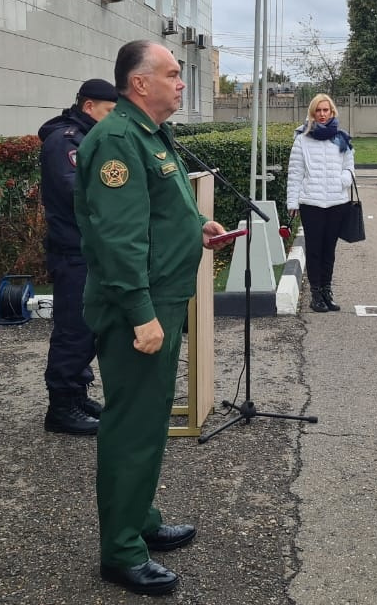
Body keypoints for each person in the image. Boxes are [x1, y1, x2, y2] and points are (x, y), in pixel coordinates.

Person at [75, 41, 229, 597]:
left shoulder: (149, 132)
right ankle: (120, 551)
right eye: (172, 74)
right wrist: (141, 315)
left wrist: (198, 229)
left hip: (161, 298)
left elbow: (160, 210)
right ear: (140, 84)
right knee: (132, 427)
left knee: (149, 419)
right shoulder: (117, 139)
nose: (182, 82)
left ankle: (139, 518)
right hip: (136, 307)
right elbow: (117, 239)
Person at [38, 78, 118, 435]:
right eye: (109, 111)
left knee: (89, 328)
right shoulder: (65, 141)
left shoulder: (88, 138)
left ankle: (77, 392)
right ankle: (61, 407)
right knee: (74, 329)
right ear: (89, 107)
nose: (114, 119)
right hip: (73, 250)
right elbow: (77, 192)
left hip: (88, 249)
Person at [286, 93, 355, 314]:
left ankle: (327, 291)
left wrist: (341, 181)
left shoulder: (342, 138)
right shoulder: (301, 139)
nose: (323, 114)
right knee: (314, 250)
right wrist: (292, 202)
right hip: (311, 203)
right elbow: (295, 173)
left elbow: (350, 168)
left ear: (332, 112)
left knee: (329, 250)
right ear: (313, 113)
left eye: (326, 110)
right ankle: (315, 294)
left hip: (337, 202)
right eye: (319, 110)